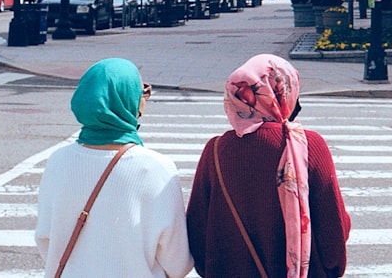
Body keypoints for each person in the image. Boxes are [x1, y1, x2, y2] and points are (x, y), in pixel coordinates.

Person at [187, 54, 350, 278]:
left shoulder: (215, 151)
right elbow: (333, 238)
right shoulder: (309, 146)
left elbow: (197, 234)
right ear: (284, 92)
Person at [36, 58, 193, 278]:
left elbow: (45, 239)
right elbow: (177, 263)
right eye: (142, 92)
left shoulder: (57, 161)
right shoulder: (156, 168)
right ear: (128, 101)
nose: (144, 99)